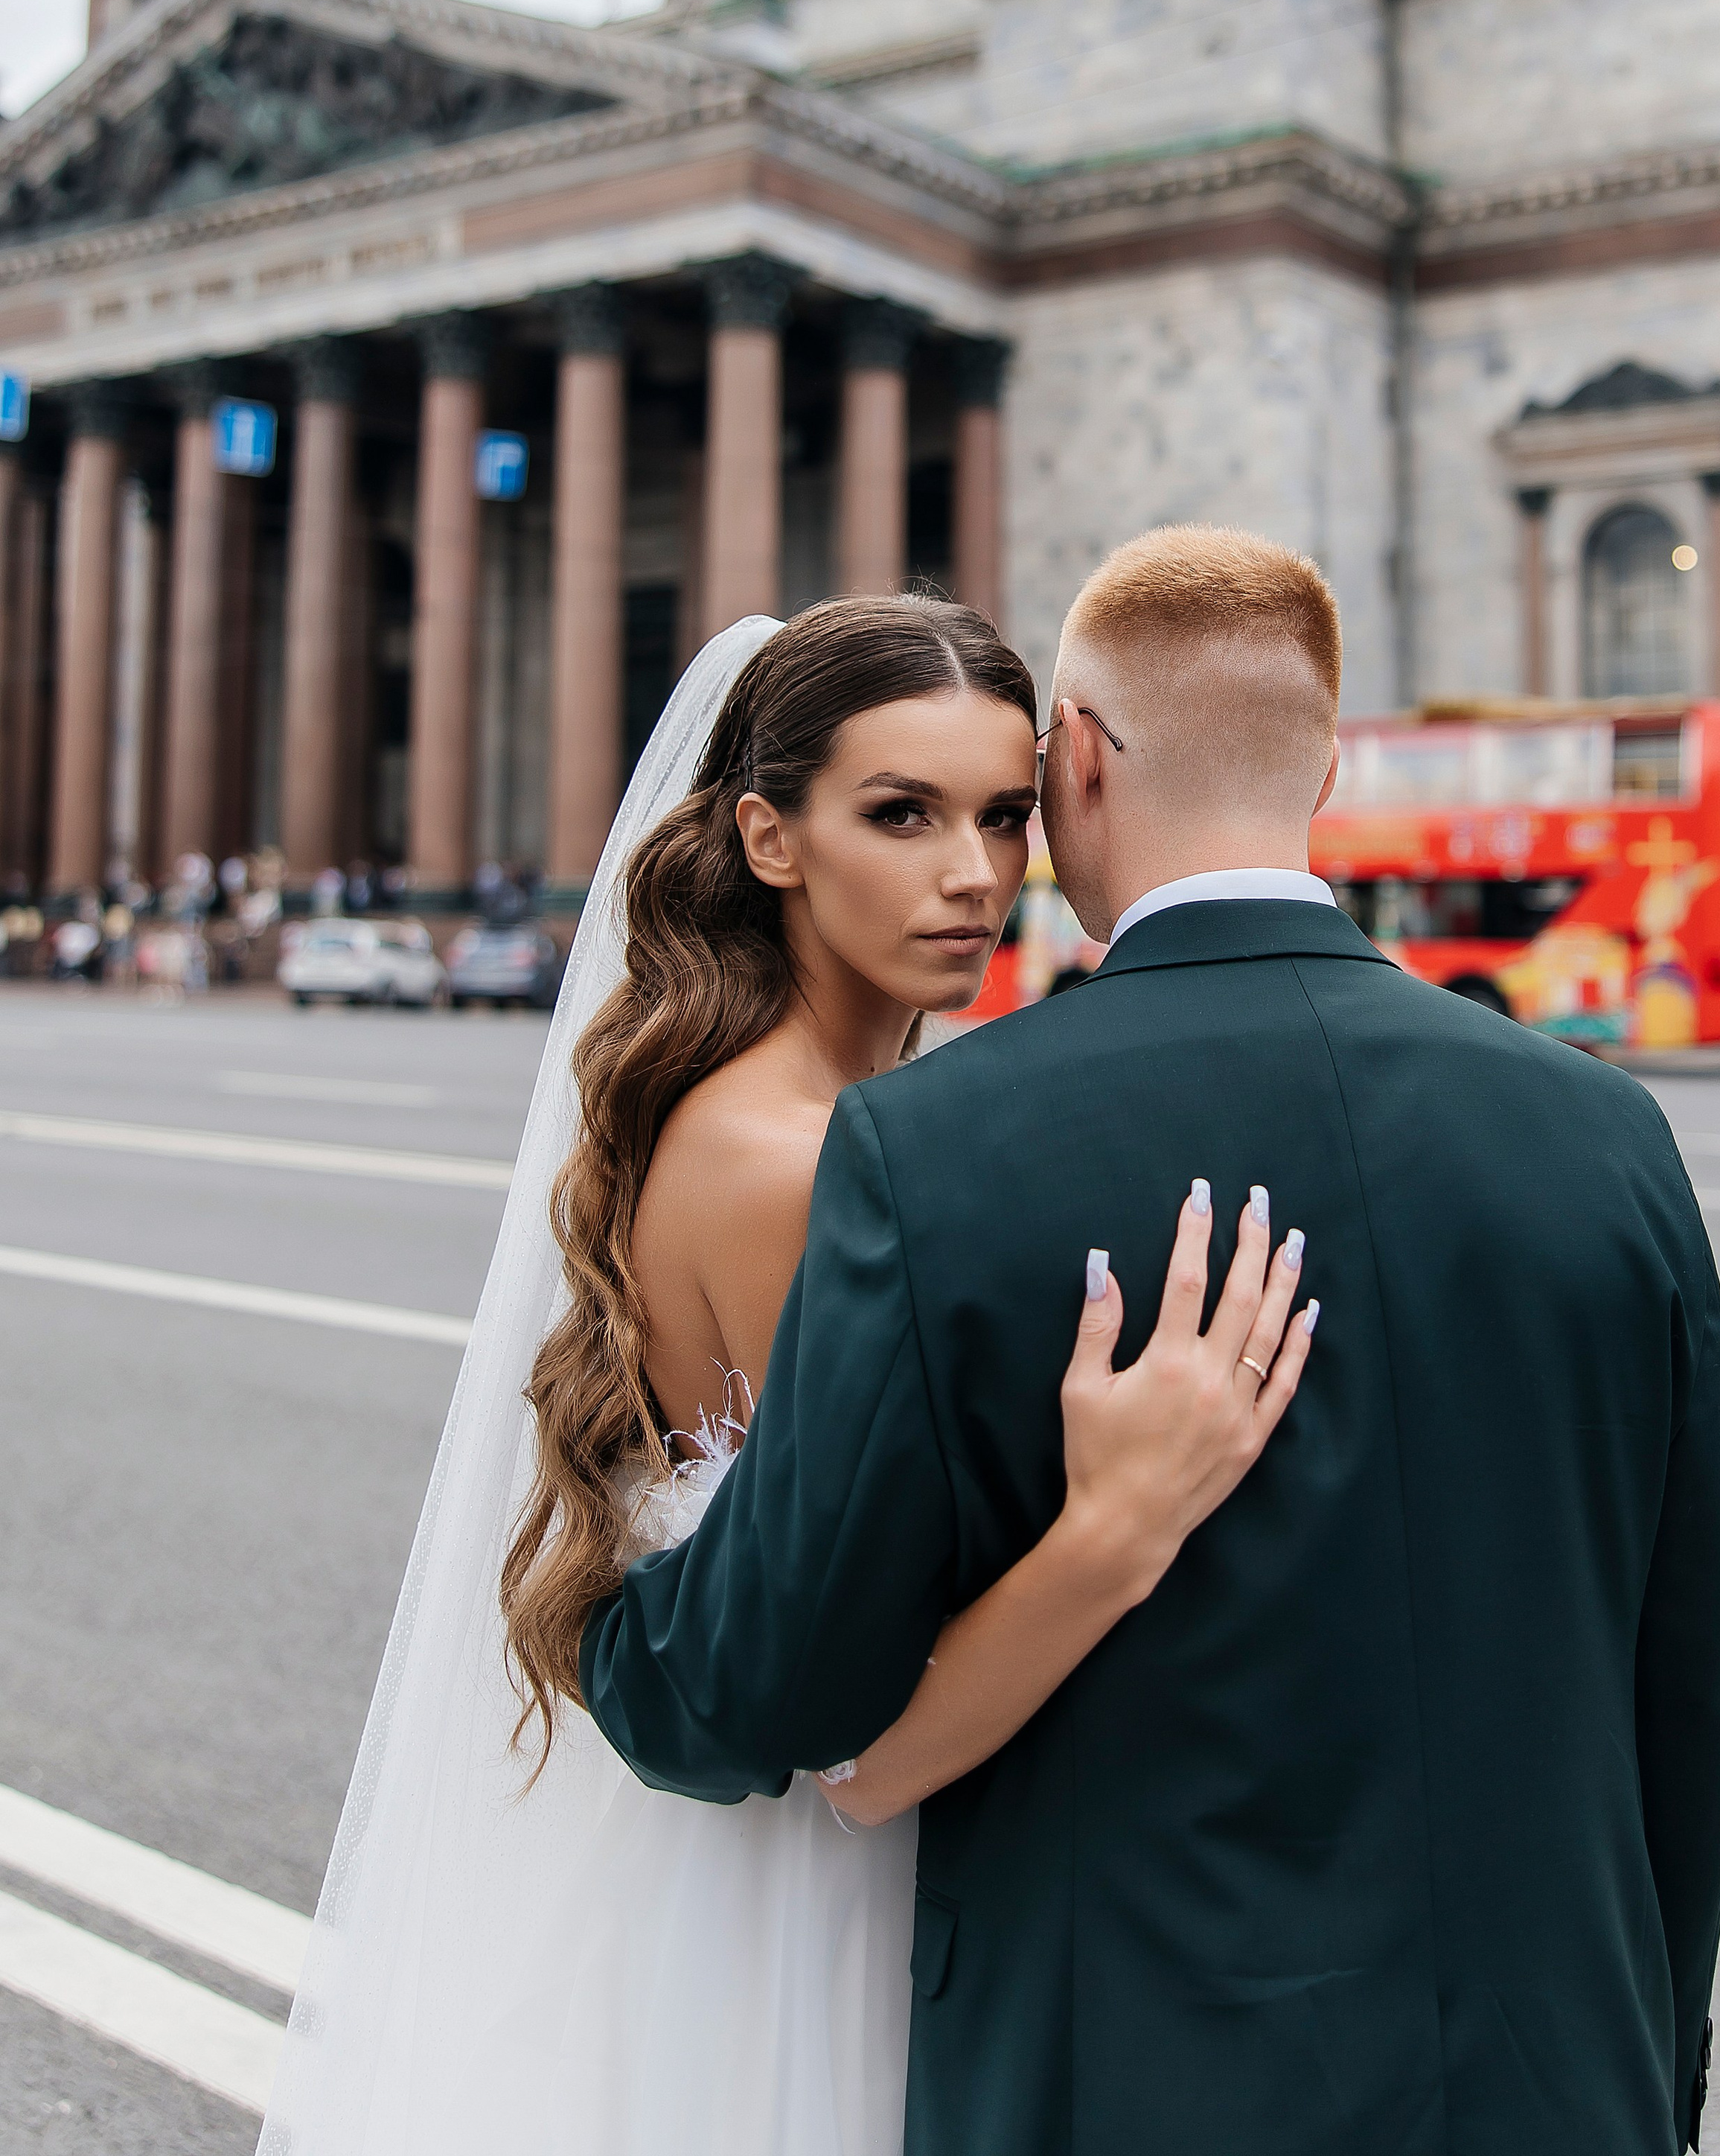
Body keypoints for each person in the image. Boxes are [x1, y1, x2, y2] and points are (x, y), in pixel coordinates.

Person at [586, 527, 1720, 2156]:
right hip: (1555, 2083)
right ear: (1329, 762)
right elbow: (1686, 1685)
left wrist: (603, 1607)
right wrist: (1647, 2065)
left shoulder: (932, 1154)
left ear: (1071, 762)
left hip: (1120, 2087)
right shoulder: (1606, 1132)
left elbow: (755, 1688)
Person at [261, 595, 1315, 2156]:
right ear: (768, 836)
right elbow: (845, 1715)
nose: (971, 871)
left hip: (705, 1866)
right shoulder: (799, 1158)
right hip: (798, 1886)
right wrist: (1118, 1518)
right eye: (900, 814)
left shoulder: (794, 1101)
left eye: (1003, 813)